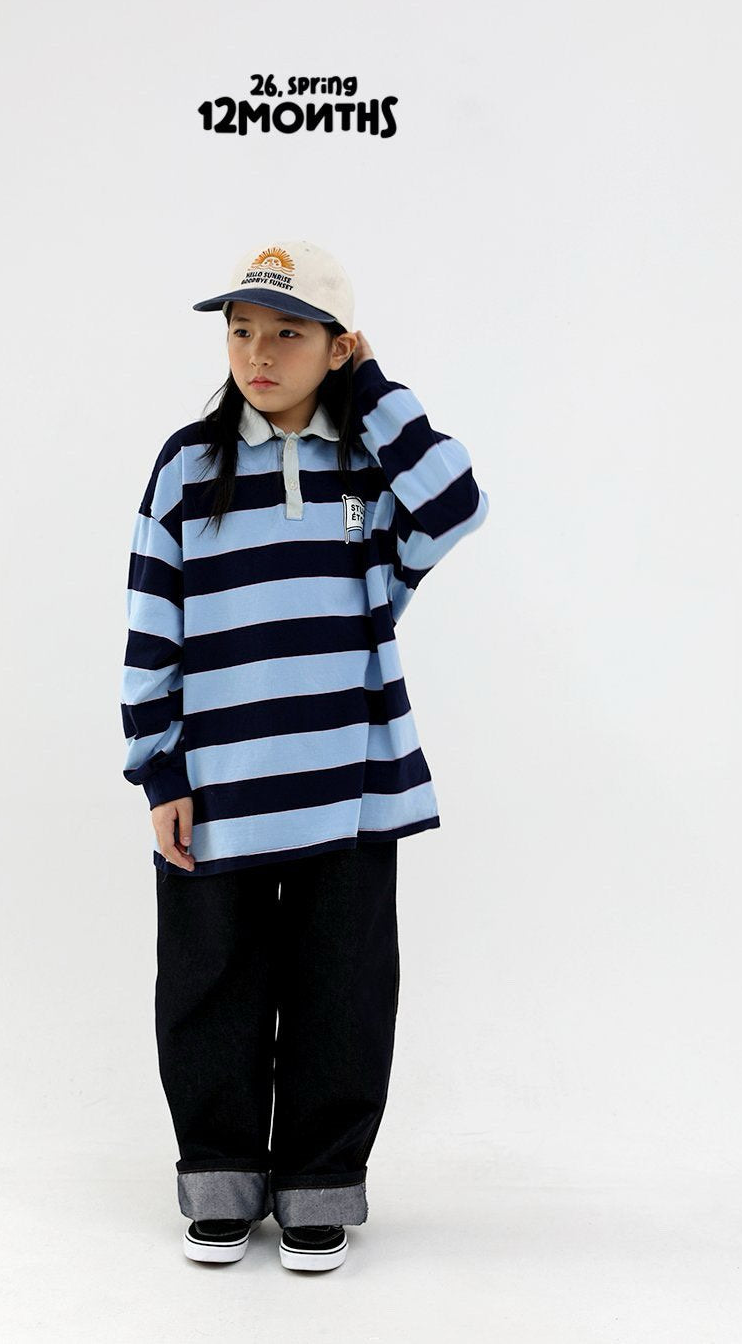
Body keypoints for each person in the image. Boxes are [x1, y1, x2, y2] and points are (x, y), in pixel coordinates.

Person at [120, 239, 489, 1271]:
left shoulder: (373, 466)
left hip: (349, 785)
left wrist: (375, 393)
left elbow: (456, 503)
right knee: (210, 989)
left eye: (288, 333)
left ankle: (320, 1185)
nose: (258, 354)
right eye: (241, 332)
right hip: (219, 787)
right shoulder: (188, 467)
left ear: (339, 347)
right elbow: (152, 621)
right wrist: (160, 770)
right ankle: (221, 1181)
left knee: (344, 991)